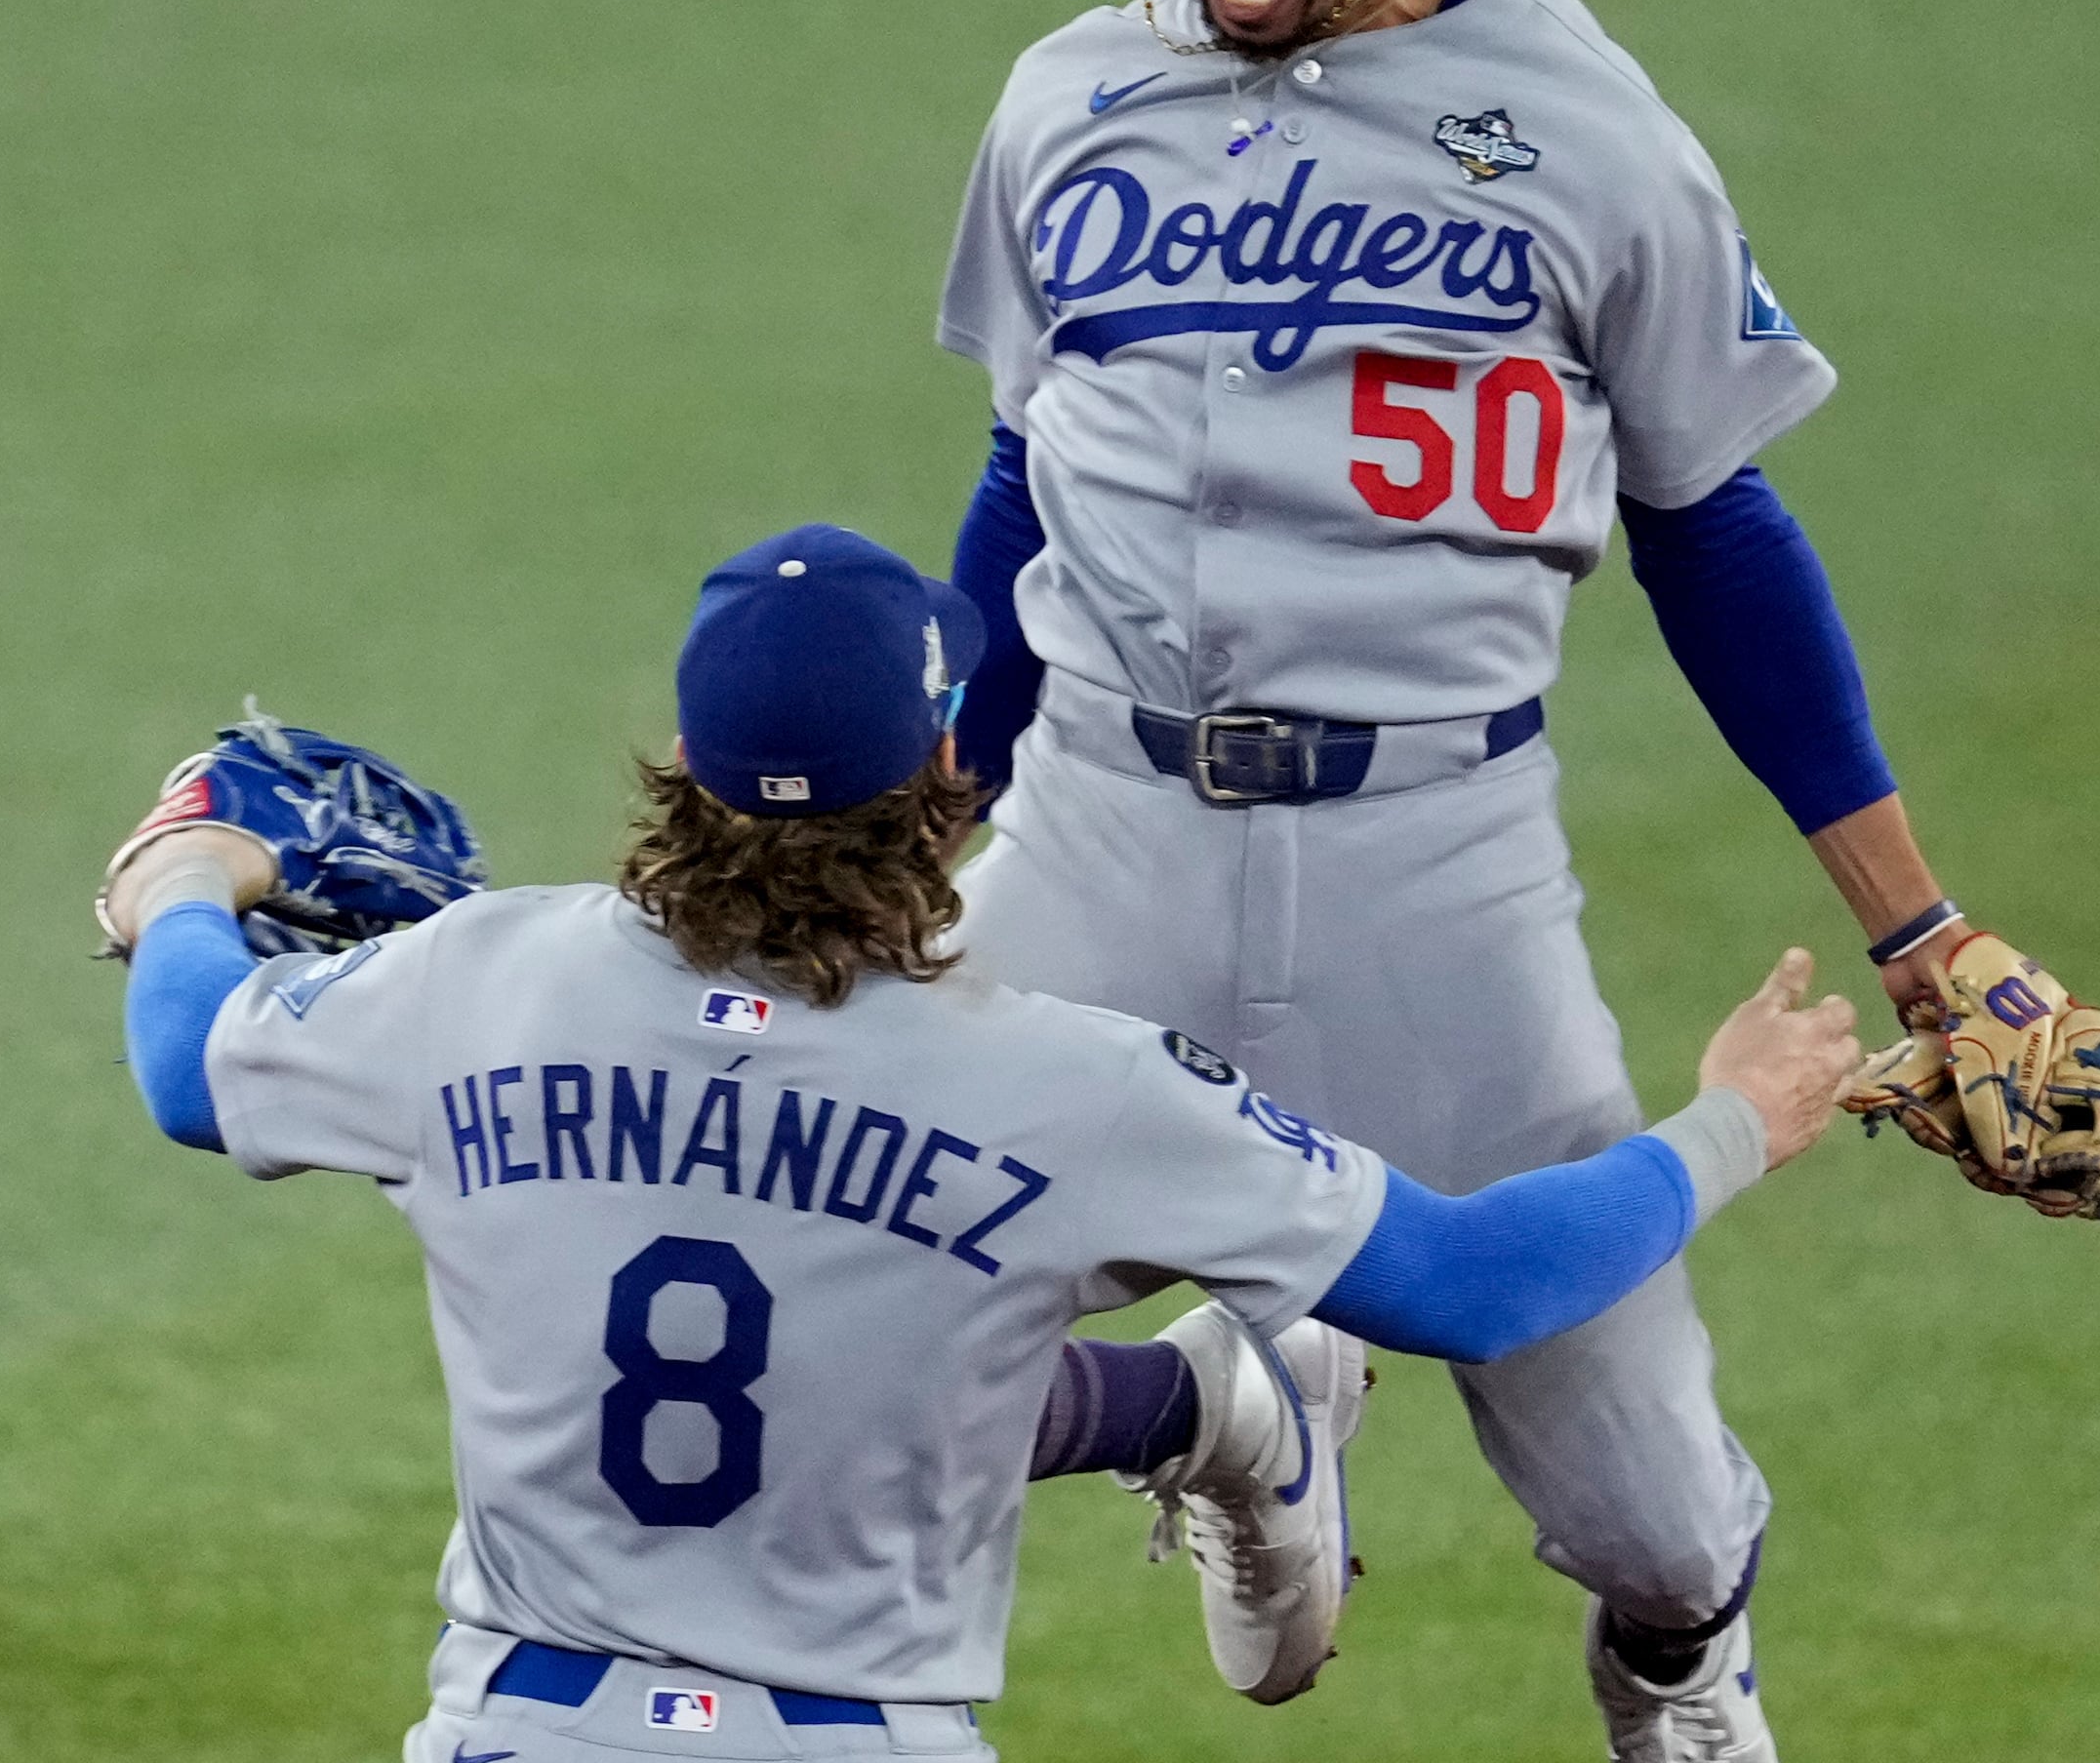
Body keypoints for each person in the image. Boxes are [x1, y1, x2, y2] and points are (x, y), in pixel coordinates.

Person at [926, 0, 2100, 1751]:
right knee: (845, 1327)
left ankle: (1680, 1669)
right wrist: (902, 838)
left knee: (1653, 1512)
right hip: (1095, 844)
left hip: (1436, 872)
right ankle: (1225, 1405)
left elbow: (1719, 529)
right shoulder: (1061, 102)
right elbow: (1017, 485)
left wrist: (1918, 928)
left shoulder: (1584, 130)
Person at [93, 522, 1862, 1762]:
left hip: (511, 1727)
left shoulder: (479, 982)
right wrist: (1737, 1122)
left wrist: (187, 869)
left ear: (684, 766)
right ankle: (1203, 1408)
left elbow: (190, 1064)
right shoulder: (1077, 1090)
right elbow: (1472, 1287)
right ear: (950, 756)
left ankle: (1200, 1414)